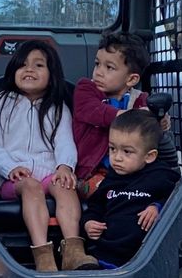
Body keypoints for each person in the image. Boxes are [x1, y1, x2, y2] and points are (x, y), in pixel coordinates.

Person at [0, 40, 98, 272]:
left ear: (52, 74)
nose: (29, 69)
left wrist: (65, 167)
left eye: (38, 65)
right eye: (22, 65)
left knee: (65, 187)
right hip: (15, 179)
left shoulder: (57, 107)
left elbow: (64, 142)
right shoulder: (1, 103)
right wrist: (9, 168)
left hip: (49, 174)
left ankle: (74, 252)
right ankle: (43, 255)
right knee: (31, 187)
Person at [73, 31, 171, 198]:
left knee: (162, 185)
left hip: (134, 170)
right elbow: (96, 112)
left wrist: (159, 121)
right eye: (97, 64)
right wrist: (133, 115)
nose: (99, 72)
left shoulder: (142, 100)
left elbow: (150, 129)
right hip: (94, 172)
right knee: (103, 191)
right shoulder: (86, 90)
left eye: (109, 67)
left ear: (131, 79)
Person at [82, 109, 180, 268]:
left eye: (127, 152)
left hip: (146, 256)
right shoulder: (111, 178)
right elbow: (95, 205)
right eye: (112, 149)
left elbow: (179, 199)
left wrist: (157, 207)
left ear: (149, 156)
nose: (117, 158)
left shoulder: (161, 176)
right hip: (106, 254)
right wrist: (89, 222)